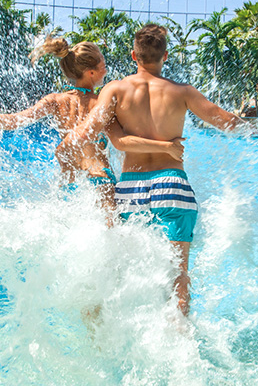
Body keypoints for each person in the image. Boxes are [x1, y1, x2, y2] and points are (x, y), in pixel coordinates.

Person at [65, 23, 243, 315]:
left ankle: (102, 325)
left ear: (134, 55)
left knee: (125, 271)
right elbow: (223, 120)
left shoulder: (115, 89)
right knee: (178, 278)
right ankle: (181, 342)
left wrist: (66, 149)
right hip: (172, 185)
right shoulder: (182, 92)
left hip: (130, 189)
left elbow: (87, 131)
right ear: (166, 56)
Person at [0, 37, 182, 211]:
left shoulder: (55, 101)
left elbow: (13, 120)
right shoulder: (104, 103)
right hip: (100, 182)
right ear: (91, 73)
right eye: (103, 65)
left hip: (70, 188)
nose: (106, 69)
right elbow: (124, 139)